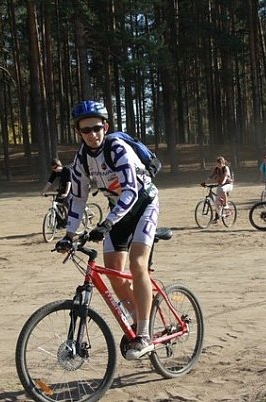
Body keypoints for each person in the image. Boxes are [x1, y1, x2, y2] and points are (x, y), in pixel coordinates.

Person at [58, 100, 159, 360]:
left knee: (137, 264)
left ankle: (144, 335)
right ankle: (139, 320)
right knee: (114, 273)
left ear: (106, 126)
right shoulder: (81, 159)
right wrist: (69, 235)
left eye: (97, 128)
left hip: (143, 204)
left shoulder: (117, 148)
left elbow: (131, 191)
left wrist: (107, 223)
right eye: (86, 130)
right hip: (117, 212)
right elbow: (78, 199)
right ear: (78, 132)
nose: (92, 134)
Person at [41, 158, 72, 228]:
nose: (54, 170)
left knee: (67, 202)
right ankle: (61, 223)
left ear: (59, 166)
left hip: (71, 188)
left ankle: (71, 219)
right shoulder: (55, 172)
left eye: (55, 168)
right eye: (52, 168)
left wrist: (66, 193)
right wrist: (43, 191)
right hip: (63, 188)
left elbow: (69, 182)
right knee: (56, 203)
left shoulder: (67, 170)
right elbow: (49, 182)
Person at [202, 156, 233, 222]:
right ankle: (217, 217)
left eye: (220, 163)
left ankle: (225, 205)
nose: (218, 165)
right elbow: (211, 176)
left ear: (223, 163)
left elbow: (226, 176)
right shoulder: (216, 169)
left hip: (228, 185)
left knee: (222, 189)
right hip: (220, 185)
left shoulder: (226, 168)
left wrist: (223, 182)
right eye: (217, 163)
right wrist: (205, 182)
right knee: (216, 202)